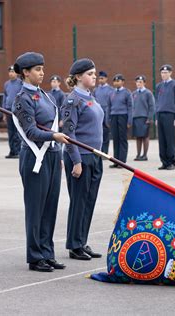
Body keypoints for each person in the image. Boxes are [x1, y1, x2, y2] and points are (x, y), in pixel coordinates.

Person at [11, 52, 69, 272]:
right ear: (25, 72)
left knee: (50, 207)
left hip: (52, 155)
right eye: (37, 69)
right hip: (35, 156)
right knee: (36, 209)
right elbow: (30, 131)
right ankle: (35, 256)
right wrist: (53, 137)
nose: (42, 73)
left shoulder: (46, 96)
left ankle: (47, 251)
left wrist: (58, 151)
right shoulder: (21, 98)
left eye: (43, 69)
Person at [61, 58, 104, 261]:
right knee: (79, 201)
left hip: (95, 156)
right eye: (89, 74)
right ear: (78, 77)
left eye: (94, 73)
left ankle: (82, 240)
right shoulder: (73, 100)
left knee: (89, 201)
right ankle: (74, 244)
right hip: (81, 157)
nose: (93, 77)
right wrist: (76, 160)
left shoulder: (90, 98)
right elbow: (69, 134)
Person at [154, 65, 175, 170]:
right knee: (162, 139)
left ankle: (171, 162)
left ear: (170, 73)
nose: (163, 75)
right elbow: (157, 102)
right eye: (162, 73)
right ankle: (164, 161)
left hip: (170, 114)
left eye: (166, 72)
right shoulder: (159, 86)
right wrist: (156, 117)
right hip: (160, 114)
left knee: (169, 139)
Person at [107, 74, 133, 168]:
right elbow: (109, 107)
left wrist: (129, 120)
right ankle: (116, 161)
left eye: (118, 81)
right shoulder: (111, 93)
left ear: (122, 82)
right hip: (114, 116)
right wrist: (108, 119)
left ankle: (122, 162)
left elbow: (130, 107)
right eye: (115, 81)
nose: (116, 83)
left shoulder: (127, 92)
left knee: (122, 139)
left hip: (123, 116)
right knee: (115, 139)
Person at [132, 75, 155, 161]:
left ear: (144, 83)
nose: (139, 84)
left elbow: (152, 106)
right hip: (136, 117)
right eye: (137, 82)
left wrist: (149, 118)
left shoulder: (148, 93)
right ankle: (138, 154)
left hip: (144, 117)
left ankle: (144, 155)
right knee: (138, 137)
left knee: (145, 136)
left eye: (140, 82)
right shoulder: (134, 93)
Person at [3, 65, 23, 158]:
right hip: (8, 110)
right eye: (10, 72)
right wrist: (3, 111)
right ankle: (12, 151)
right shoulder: (6, 84)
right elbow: (5, 97)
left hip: (17, 111)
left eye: (13, 72)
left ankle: (18, 151)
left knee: (17, 131)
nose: (11, 73)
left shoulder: (20, 83)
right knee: (10, 132)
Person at [93, 71, 114, 154]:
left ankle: (105, 151)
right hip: (97, 114)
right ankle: (99, 150)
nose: (100, 80)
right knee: (98, 132)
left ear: (106, 79)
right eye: (99, 78)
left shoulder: (110, 90)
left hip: (106, 114)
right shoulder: (96, 90)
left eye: (102, 78)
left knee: (105, 133)